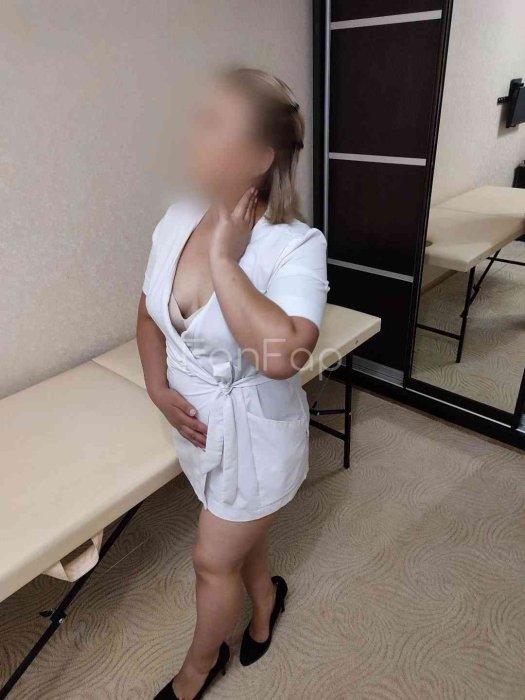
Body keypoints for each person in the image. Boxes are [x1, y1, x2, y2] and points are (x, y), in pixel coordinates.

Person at [137, 67, 328, 700]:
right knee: (240, 530)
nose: (192, 134)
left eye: (212, 123)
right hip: (197, 429)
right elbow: (148, 312)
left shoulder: (294, 245)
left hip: (256, 440)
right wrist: (157, 386)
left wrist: (225, 259)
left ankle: (196, 671)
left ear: (259, 156)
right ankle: (266, 599)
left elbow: (284, 355)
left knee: (211, 558)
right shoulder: (177, 216)